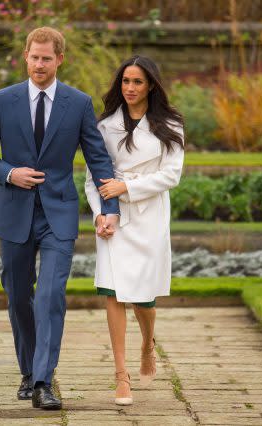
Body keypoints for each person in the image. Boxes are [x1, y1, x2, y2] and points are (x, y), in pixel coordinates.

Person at [0, 27, 120, 410]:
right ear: (25, 56)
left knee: (50, 296)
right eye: (34, 57)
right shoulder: (2, 101)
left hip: (58, 214)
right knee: (19, 295)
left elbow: (98, 159)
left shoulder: (79, 103)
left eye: (47, 58)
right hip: (14, 213)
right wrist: (9, 173)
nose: (40, 64)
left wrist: (110, 209)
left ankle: (42, 382)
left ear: (59, 60)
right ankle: (28, 370)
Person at [84, 55, 184, 406]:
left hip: (149, 215)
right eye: (125, 81)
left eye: (138, 82)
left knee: (143, 299)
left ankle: (148, 343)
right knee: (113, 293)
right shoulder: (105, 125)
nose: (130, 88)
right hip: (115, 220)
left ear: (151, 85)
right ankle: (121, 375)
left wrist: (127, 187)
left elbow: (171, 175)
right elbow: (93, 177)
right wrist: (100, 214)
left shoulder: (170, 125)